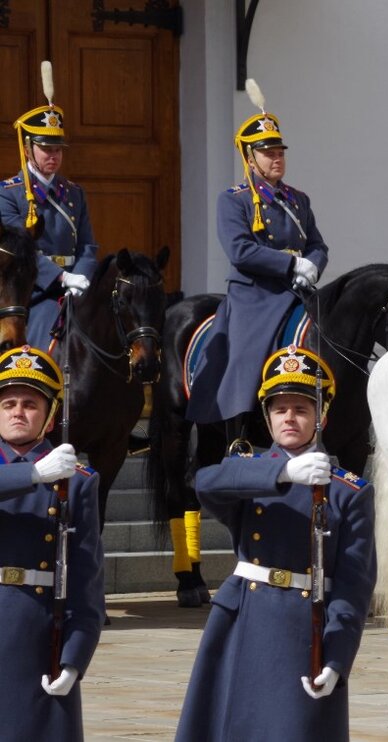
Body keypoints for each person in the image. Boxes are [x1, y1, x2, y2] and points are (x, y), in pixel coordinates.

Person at [176, 347, 376, 742]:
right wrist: (282, 472)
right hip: (244, 619)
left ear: (322, 416)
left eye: (301, 408)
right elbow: (206, 485)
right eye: (279, 408)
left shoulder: (349, 491)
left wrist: (337, 657)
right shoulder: (250, 473)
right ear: (266, 418)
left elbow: (354, 586)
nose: (289, 417)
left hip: (303, 626)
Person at [186, 79, 329, 444]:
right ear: (250, 157)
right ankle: (238, 427)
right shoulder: (233, 200)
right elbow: (239, 250)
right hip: (255, 294)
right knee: (246, 357)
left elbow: (317, 244)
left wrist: (312, 263)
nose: (276, 157)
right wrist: (290, 265)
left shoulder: (299, 199)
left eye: (280, 151)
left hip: (297, 291)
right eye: (268, 152)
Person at [0, 345, 105, 741]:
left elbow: (86, 578)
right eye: (8, 402)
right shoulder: (43, 473)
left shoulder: (77, 480)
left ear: (49, 414)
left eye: (30, 403)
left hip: (36, 632)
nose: (17, 412)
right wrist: (31, 475)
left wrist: (76, 656)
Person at [0, 62, 99, 349]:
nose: (53, 156)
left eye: (57, 149)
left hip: (74, 290)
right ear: (28, 148)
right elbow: (19, 253)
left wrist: (80, 277)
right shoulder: (9, 194)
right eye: (46, 149)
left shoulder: (74, 193)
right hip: (28, 290)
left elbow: (88, 245)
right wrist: (60, 277)